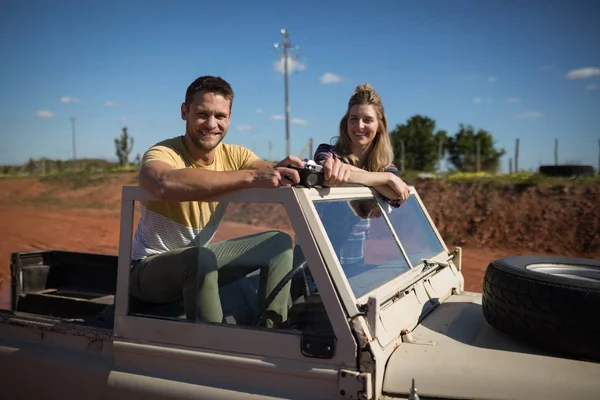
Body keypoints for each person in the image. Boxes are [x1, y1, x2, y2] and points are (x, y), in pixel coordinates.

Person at [130, 75, 304, 329]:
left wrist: (307, 168)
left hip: (197, 261)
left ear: (230, 117)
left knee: (278, 242)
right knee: (200, 258)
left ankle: (272, 331)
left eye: (220, 116)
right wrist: (252, 176)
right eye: (202, 114)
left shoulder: (236, 155)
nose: (211, 124)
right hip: (147, 270)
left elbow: (273, 172)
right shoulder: (164, 152)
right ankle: (216, 348)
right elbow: (162, 182)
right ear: (184, 111)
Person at [292, 83, 410, 287]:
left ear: (379, 125)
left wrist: (379, 178)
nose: (359, 126)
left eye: (368, 120)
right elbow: (328, 172)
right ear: (346, 122)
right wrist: (385, 180)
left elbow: (396, 196)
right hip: (313, 258)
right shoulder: (328, 152)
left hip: (354, 258)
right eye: (353, 119)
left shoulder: (385, 166)